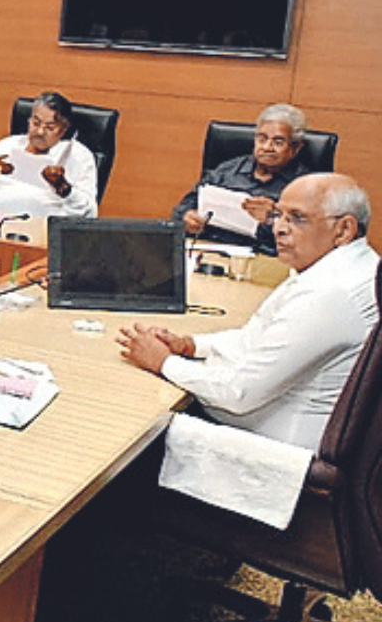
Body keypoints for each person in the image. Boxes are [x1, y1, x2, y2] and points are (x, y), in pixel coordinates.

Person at [118, 173, 378, 449]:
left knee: (133, 426)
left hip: (273, 450)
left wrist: (164, 362)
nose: (278, 228)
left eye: (296, 218)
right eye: (278, 215)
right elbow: (257, 339)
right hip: (283, 426)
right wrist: (190, 346)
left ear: (343, 230)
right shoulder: (346, 267)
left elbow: (238, 394)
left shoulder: (330, 292)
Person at [171, 104, 313, 252]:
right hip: (212, 252)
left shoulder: (304, 187)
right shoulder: (227, 171)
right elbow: (181, 210)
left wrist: (273, 219)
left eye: (278, 142)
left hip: (267, 259)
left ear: (296, 148)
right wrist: (187, 217)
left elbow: (308, 239)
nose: (267, 147)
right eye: (262, 139)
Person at [0, 91, 98, 217]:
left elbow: (89, 213)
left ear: (63, 130)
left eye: (50, 127)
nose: (40, 132)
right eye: (36, 123)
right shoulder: (8, 145)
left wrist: (64, 188)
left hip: (39, 235)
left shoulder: (78, 156)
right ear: (29, 121)